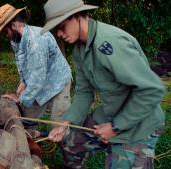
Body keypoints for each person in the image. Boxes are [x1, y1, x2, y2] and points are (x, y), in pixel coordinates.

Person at [41, 0, 166, 168]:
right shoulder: (79, 50)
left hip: (139, 124)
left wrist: (115, 127)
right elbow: (84, 92)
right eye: (56, 29)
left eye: (61, 26)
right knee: (70, 144)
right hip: (111, 113)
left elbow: (151, 90)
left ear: (77, 16)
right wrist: (66, 122)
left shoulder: (109, 43)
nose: (59, 34)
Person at [0, 4, 72, 136]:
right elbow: (21, 63)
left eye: (5, 31)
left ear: (13, 25)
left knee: (58, 125)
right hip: (38, 83)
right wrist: (23, 82)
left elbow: (37, 80)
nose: (6, 35)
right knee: (26, 118)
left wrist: (19, 99)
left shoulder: (37, 41)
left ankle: (70, 150)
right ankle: (32, 140)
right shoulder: (16, 40)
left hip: (58, 83)